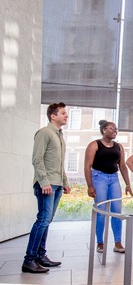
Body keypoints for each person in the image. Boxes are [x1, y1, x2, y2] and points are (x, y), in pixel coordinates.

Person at [22, 102, 71, 273]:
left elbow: (59, 163)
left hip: (56, 184)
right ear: (53, 116)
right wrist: (44, 182)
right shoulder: (44, 133)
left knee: (47, 221)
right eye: (63, 113)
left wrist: (64, 182)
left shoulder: (59, 135)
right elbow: (37, 159)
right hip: (46, 184)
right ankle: (29, 260)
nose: (66, 116)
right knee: (42, 220)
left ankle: (40, 256)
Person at [84, 120, 133, 254]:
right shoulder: (94, 145)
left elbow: (122, 166)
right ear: (104, 130)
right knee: (101, 210)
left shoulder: (119, 146)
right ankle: (100, 242)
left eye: (116, 129)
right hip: (99, 178)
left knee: (117, 210)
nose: (115, 131)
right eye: (112, 129)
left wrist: (128, 184)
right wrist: (90, 186)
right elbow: (87, 166)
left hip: (114, 178)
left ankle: (118, 242)